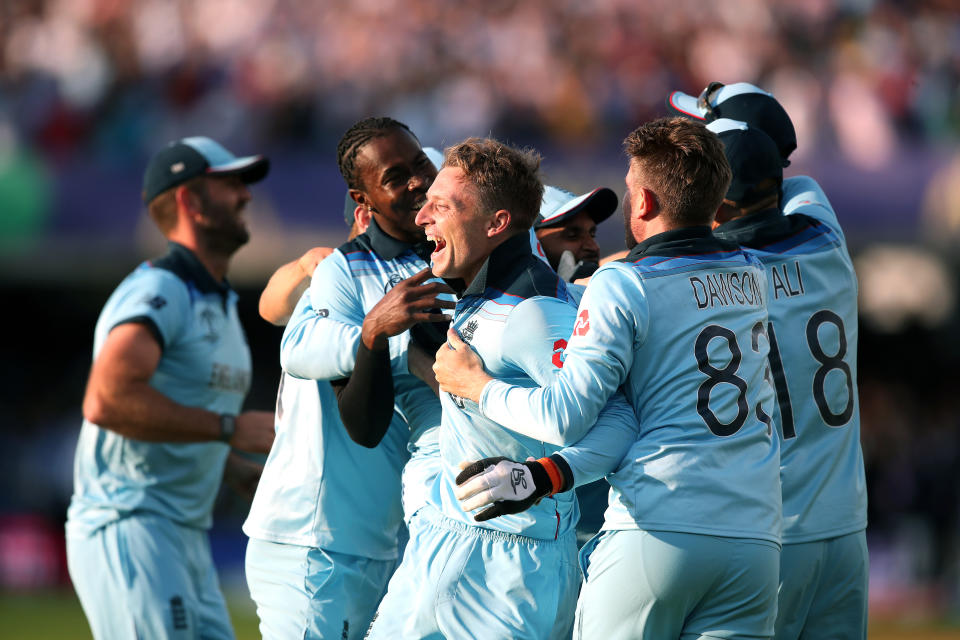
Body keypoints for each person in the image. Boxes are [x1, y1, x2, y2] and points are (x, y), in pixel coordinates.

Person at [434, 118, 782, 639]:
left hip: (659, 522)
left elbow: (564, 416)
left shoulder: (621, 283)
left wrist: (479, 387)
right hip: (756, 536)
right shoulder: (752, 273)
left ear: (641, 203)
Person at [365, 137, 635, 639]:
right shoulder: (484, 292)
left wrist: (539, 470)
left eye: (441, 206)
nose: (422, 217)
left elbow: (615, 422)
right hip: (455, 542)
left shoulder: (532, 313)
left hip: (505, 569)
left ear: (496, 224)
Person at [669, 81, 868, 639]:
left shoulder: (709, 273)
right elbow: (790, 179)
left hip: (771, 532)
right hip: (846, 524)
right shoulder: (827, 238)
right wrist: (754, 147)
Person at [242, 118, 453, 639]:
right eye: (396, 177)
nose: (417, 187)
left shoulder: (431, 269)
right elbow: (282, 322)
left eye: (424, 171)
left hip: (370, 538)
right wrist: (384, 334)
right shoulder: (338, 275)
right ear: (363, 207)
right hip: (313, 536)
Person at [65, 136, 276, 640]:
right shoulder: (159, 290)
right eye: (229, 185)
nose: (246, 196)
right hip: (132, 524)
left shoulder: (215, 300)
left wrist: (231, 470)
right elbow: (106, 400)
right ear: (189, 201)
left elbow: (178, 407)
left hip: (182, 535)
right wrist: (230, 428)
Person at [258, 147, 445, 327]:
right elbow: (270, 310)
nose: (426, 221)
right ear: (366, 218)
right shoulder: (339, 270)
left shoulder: (447, 267)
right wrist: (302, 268)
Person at [535, 185, 618, 281]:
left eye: (592, 235)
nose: (593, 247)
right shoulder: (517, 293)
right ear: (531, 240)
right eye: (572, 236)